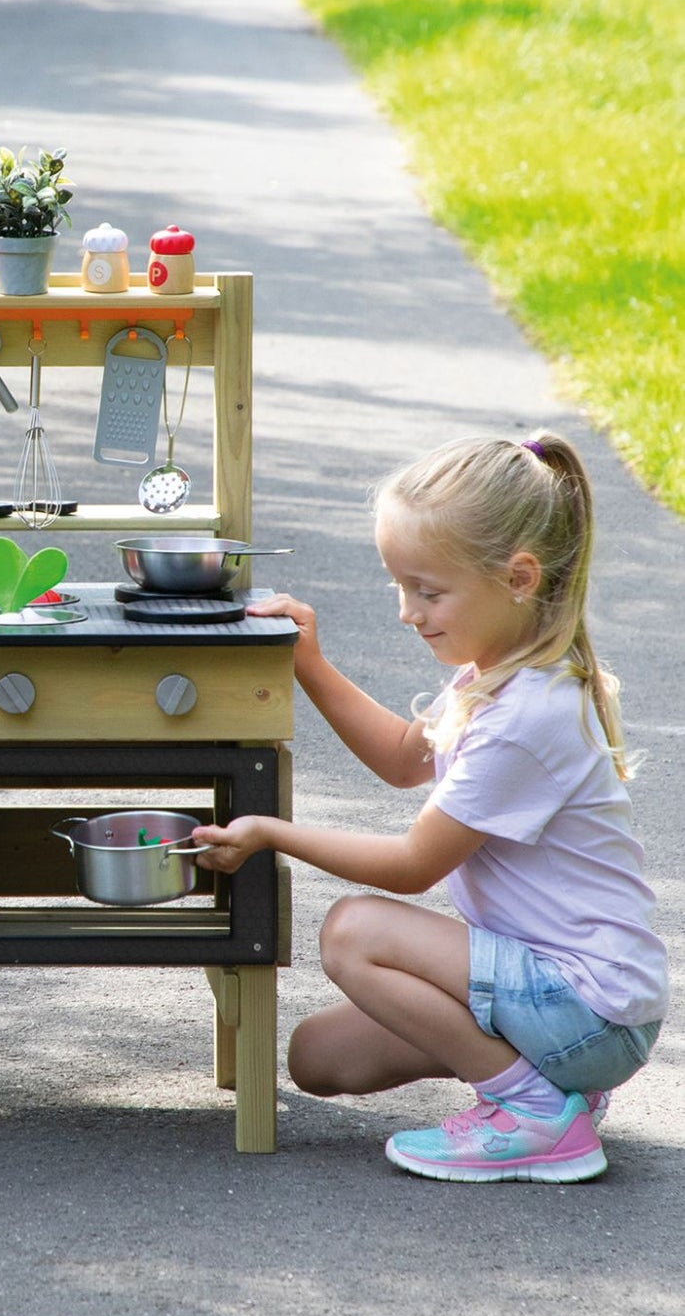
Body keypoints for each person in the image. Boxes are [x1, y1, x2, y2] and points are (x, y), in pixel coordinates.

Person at [195, 432, 667, 1183]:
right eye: (398, 586)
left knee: (353, 931)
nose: (407, 613)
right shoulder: (498, 674)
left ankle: (534, 1114)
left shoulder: (527, 715)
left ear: (517, 577)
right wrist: (307, 663)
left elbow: (413, 866)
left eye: (427, 589)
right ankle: (555, 1091)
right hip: (566, 1002)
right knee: (315, 1057)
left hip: (588, 1005)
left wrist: (271, 833)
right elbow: (404, 759)